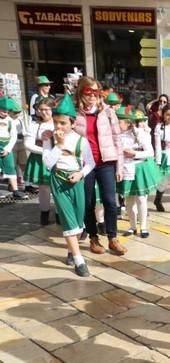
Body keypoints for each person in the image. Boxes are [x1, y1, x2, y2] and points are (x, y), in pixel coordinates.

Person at [42, 95, 95, 277]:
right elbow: (48, 163)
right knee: (68, 220)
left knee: (78, 222)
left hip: (77, 182)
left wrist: (80, 174)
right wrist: (59, 145)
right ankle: (79, 261)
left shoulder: (82, 140)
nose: (58, 126)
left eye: (63, 123)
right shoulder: (49, 139)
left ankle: (71, 250)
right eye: (56, 122)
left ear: (72, 123)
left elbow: (90, 163)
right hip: (58, 181)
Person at [74, 76, 127, 256]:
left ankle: (112, 238)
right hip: (85, 164)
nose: (92, 97)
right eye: (88, 93)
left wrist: (120, 166)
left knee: (110, 201)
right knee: (88, 203)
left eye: (95, 93)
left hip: (106, 162)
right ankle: (93, 238)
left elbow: (117, 139)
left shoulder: (107, 112)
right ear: (81, 93)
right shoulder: (74, 113)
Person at [116, 107, 159, 238]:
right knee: (128, 199)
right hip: (125, 169)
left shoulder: (140, 134)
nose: (117, 123)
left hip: (139, 168)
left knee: (141, 198)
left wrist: (134, 153)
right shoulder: (116, 135)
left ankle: (143, 227)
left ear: (128, 122)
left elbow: (150, 152)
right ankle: (132, 226)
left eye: (120, 121)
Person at [24, 97, 55, 223]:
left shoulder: (59, 122)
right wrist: (47, 152)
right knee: (44, 188)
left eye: (46, 109)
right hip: (40, 159)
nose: (43, 112)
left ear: (53, 109)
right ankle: (44, 213)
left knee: (58, 187)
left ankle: (59, 215)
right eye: (40, 109)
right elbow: (28, 144)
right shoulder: (34, 125)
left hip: (59, 159)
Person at [0, 97, 28, 200]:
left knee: (11, 167)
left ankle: (15, 190)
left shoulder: (10, 121)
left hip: (6, 145)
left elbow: (13, 136)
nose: (5, 113)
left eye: (7, 111)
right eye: (3, 110)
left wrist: (8, 148)